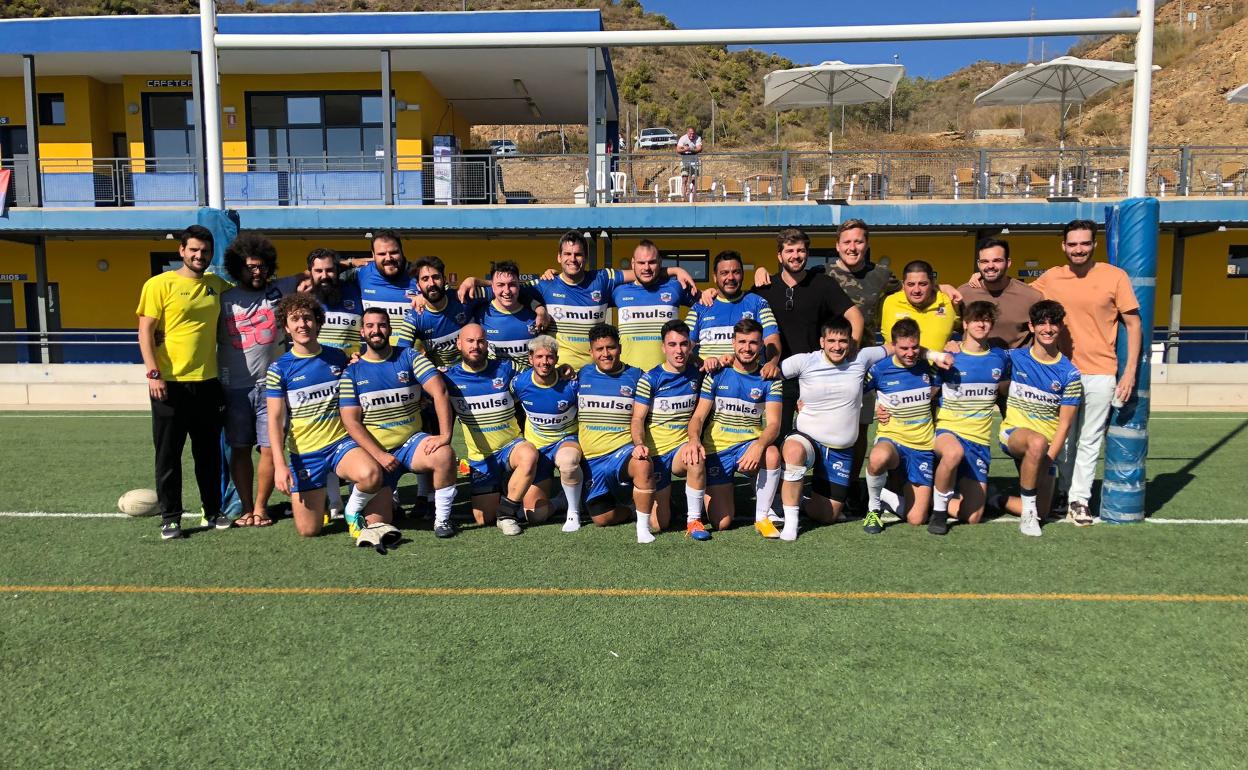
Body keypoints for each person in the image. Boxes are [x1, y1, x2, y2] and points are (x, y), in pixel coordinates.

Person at [1031, 220, 1141, 526]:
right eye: (1073, 244)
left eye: (1084, 243)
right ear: (1063, 246)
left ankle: (1080, 499)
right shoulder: (1052, 277)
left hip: (1101, 371)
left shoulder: (1114, 276)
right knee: (1063, 437)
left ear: (1094, 244)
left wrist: (1130, 371)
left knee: (1090, 438)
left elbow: (1133, 325)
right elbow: (1017, 297)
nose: (1078, 249)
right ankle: (1063, 492)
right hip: (1061, 372)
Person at [457, 231, 696, 370]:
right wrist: (476, 281)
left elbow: (645, 273)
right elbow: (507, 287)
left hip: (598, 368)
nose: (573, 259)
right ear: (559, 257)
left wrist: (675, 270)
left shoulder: (603, 279)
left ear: (585, 257)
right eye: (568, 254)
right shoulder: (546, 283)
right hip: (560, 369)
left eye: (578, 254)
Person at [136, 224, 232, 540]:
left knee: (207, 455)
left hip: (208, 383)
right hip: (170, 384)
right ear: (181, 251)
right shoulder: (158, 284)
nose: (199, 255)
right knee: (168, 455)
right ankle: (171, 518)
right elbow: (145, 332)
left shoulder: (217, 285)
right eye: (193, 250)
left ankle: (213, 510)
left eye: (205, 251)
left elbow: (252, 288)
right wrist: (153, 374)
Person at [264, 294, 385, 539]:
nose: (302, 324)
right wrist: (279, 465)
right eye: (295, 320)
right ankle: (322, 504)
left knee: (371, 475)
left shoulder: (337, 357)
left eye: (308, 318)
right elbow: (275, 420)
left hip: (340, 444)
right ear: (286, 328)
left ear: (318, 322)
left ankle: (352, 510)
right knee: (309, 530)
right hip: (306, 453)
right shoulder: (279, 369)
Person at [338, 309, 458, 539]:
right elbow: (351, 422)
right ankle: (383, 501)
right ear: (362, 331)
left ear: (390, 329)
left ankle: (442, 519)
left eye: (382, 325)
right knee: (378, 523)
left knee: (444, 454)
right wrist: (380, 455)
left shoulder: (409, 356)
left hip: (411, 444)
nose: (376, 331)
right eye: (370, 326)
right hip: (376, 453)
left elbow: (440, 391)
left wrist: (444, 435)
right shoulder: (352, 372)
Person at [776, 316, 889, 541]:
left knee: (828, 515)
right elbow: (769, 374)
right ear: (822, 341)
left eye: (843, 341)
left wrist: (937, 353)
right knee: (794, 451)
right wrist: (791, 400)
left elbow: (898, 348)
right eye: (832, 341)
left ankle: (799, 497)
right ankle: (790, 523)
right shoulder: (805, 361)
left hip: (839, 449)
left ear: (851, 342)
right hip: (807, 437)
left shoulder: (862, 357)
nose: (837, 346)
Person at [217, 233, 301, 528]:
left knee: (269, 448)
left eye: (262, 266)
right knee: (239, 448)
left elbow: (322, 269)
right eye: (251, 266)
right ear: (237, 267)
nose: (257, 271)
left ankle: (261, 507)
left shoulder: (282, 289)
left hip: (273, 388)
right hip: (235, 388)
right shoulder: (222, 298)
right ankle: (245, 507)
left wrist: (357, 260)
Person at [750, 228, 862, 439]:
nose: (796, 256)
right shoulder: (764, 288)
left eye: (800, 250)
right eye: (790, 250)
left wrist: (850, 350)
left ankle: (820, 473)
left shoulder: (823, 284)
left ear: (807, 254)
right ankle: (779, 473)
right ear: (779, 255)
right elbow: (738, 311)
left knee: (819, 436)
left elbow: (855, 316)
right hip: (778, 375)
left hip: (815, 376)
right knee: (777, 435)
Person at [684, 319, 783, 537]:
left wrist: (758, 446)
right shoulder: (717, 374)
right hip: (717, 450)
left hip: (748, 447)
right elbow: (698, 417)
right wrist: (694, 439)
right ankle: (697, 508)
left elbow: (774, 424)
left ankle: (763, 518)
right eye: (742, 342)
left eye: (753, 343)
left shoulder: (770, 379)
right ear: (733, 343)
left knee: (772, 453)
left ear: (761, 346)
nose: (747, 348)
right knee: (722, 522)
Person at [441, 324, 540, 536]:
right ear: (459, 344)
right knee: (483, 518)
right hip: (481, 459)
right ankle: (505, 485)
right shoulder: (448, 378)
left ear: (487, 344)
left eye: (480, 341)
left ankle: (507, 514)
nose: (475, 346)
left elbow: (538, 376)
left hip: (511, 447)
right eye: (470, 341)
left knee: (529, 454)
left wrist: (562, 370)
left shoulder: (505, 368)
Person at [994, 300, 1082, 536]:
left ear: (1060, 327)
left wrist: (1050, 457)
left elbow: (1065, 423)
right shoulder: (1015, 358)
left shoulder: (1070, 373)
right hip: (1014, 433)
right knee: (1037, 442)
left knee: (1044, 510)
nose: (1048, 328)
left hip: (1046, 448)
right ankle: (1028, 515)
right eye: (1041, 323)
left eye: (1053, 323)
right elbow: (980, 354)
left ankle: (993, 498)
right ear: (1032, 327)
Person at [928, 301, 1009, 535]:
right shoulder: (950, 355)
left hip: (979, 441)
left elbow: (1006, 389)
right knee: (953, 453)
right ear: (965, 323)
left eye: (986, 320)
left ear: (992, 325)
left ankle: (936, 497)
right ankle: (939, 513)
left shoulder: (1000, 358)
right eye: (975, 319)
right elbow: (928, 391)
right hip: (948, 431)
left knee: (972, 517)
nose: (981, 324)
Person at [577, 323, 659, 543]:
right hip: (591, 461)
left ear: (620, 348)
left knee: (642, 462)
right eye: (599, 349)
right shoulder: (581, 375)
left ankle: (642, 529)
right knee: (602, 518)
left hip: (622, 454)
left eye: (611, 348)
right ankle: (631, 509)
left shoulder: (637, 376)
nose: (606, 354)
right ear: (591, 352)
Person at [863, 318, 943, 535]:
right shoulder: (880, 369)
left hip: (923, 446)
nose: (910, 352)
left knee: (917, 519)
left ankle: (884, 494)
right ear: (893, 345)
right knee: (878, 457)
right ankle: (874, 508)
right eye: (904, 348)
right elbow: (853, 393)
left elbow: (935, 393)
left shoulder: (930, 368)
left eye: (914, 347)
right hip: (893, 439)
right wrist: (876, 406)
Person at [630, 320, 709, 540]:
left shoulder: (697, 373)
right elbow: (637, 419)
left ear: (691, 346)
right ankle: (657, 497)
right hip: (655, 455)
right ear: (663, 347)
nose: (679, 350)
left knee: (695, 457)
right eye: (672, 344)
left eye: (684, 344)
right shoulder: (650, 379)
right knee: (659, 524)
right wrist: (639, 445)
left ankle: (694, 520)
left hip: (680, 450)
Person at [510, 335, 584, 531]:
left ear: (557, 359)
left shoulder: (571, 383)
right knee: (535, 515)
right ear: (530, 359)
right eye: (540, 357)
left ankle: (573, 513)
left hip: (566, 440)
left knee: (568, 462)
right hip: (537, 448)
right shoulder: (519, 383)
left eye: (550, 357)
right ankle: (561, 501)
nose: (545, 362)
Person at [686, 250, 780, 370]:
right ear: (715, 277)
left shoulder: (758, 303)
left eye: (736, 272)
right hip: (708, 380)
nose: (730, 277)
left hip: (748, 380)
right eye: (724, 273)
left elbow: (772, 339)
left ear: (743, 274)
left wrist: (771, 363)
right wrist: (703, 363)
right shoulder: (700, 306)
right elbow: (683, 347)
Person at [611, 240, 697, 371]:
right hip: (628, 376)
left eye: (652, 262)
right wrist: (675, 269)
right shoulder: (618, 291)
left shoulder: (675, 287)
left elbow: (704, 306)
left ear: (660, 263)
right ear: (633, 263)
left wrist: (691, 339)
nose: (646, 268)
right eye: (641, 263)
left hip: (667, 376)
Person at [398, 255, 484, 368]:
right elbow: (401, 355)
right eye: (425, 279)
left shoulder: (463, 296)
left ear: (444, 279)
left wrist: (475, 280)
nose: (431, 283)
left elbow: (499, 289)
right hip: (445, 379)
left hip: (475, 372)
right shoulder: (415, 316)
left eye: (436, 277)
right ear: (418, 286)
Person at [956, 237, 1042, 350]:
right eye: (984, 261)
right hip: (975, 365)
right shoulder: (963, 294)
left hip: (1015, 365)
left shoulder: (1032, 297)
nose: (990, 266)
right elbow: (951, 329)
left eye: (997, 261)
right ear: (978, 264)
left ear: (1008, 262)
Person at [343, 229, 420, 347]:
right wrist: (350, 262)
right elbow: (320, 275)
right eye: (382, 254)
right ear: (373, 255)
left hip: (411, 359)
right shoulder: (362, 273)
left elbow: (447, 294)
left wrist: (460, 286)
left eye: (394, 252)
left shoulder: (419, 274)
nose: (388, 258)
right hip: (375, 357)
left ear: (402, 251)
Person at [879, 260, 961, 351]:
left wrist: (960, 344)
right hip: (894, 365)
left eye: (923, 284)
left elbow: (972, 329)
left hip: (936, 364)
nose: (916, 290)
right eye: (911, 284)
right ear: (903, 285)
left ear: (933, 283)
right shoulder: (888, 302)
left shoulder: (950, 302)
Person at [481, 260, 542, 368]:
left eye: (512, 284)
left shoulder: (535, 314)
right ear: (493, 287)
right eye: (500, 285)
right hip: (496, 382)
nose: (507, 290)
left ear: (519, 285)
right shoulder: (481, 314)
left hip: (526, 383)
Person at [306, 248, 365, 356]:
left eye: (329, 270)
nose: (324, 276)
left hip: (350, 366)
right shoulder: (303, 298)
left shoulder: (357, 290)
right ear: (310, 272)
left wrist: (350, 262)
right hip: (316, 367)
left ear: (337, 270)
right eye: (318, 271)